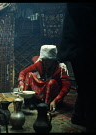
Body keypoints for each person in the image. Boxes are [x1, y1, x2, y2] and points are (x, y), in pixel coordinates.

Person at [57, 3, 96, 132]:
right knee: (90, 89)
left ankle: (78, 116)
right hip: (83, 46)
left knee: (86, 87)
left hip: (81, 46)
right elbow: (85, 19)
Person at [18, 45, 70, 111]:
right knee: (29, 75)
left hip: (53, 94)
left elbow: (66, 86)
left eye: (48, 60)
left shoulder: (60, 68)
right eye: (44, 60)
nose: (45, 63)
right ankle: (30, 101)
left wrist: (56, 100)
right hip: (44, 89)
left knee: (51, 82)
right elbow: (23, 72)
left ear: (53, 60)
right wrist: (21, 83)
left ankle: (47, 105)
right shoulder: (40, 64)